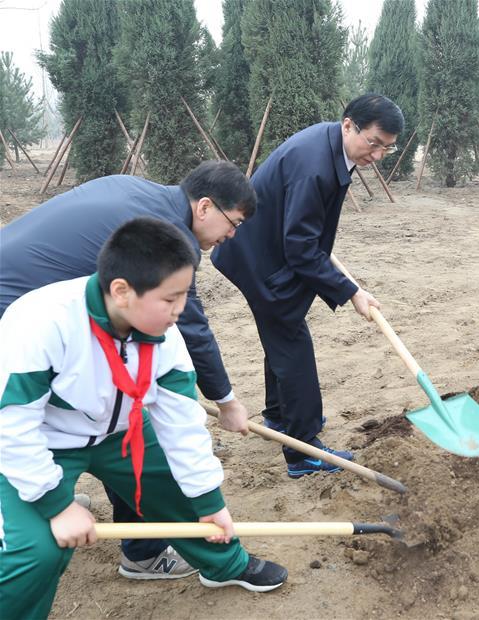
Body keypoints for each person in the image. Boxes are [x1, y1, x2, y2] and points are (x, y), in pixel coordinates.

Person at [0, 219, 288, 620]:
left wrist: (210, 502)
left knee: (183, 494)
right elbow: (11, 427)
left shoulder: (164, 335)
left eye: (184, 295)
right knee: (36, 551)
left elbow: (183, 423)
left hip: (122, 431)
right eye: (170, 299)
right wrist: (57, 506)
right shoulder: (41, 322)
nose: (180, 310)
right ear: (121, 291)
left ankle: (225, 566)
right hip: (42, 442)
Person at [212, 94, 403, 477]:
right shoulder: (314, 165)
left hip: (265, 249)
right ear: (349, 125)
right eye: (374, 143)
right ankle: (303, 449)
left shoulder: (331, 145)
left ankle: (280, 417)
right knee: (292, 341)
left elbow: (302, 233)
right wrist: (351, 292)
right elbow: (299, 247)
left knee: (281, 331)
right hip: (259, 257)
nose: (378, 155)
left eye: (387, 148)